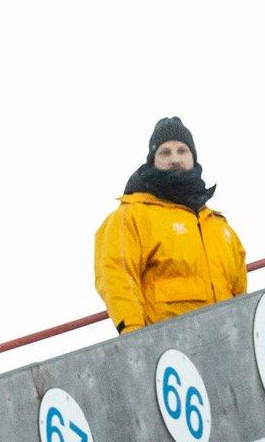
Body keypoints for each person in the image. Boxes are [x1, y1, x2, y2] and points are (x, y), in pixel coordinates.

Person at [93, 117, 247, 334]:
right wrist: (134, 336)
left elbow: (239, 291)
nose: (175, 159)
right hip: (169, 351)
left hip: (227, 340)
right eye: (165, 152)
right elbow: (117, 276)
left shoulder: (219, 226)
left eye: (182, 150)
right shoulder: (132, 215)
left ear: (193, 157)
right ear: (152, 161)